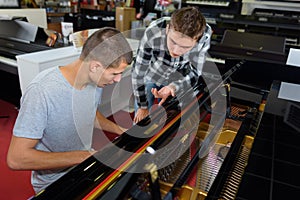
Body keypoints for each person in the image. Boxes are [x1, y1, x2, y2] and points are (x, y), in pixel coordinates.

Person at [6, 27, 133, 194]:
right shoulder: (42, 90)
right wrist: (82, 156)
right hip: (55, 181)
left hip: (83, 167)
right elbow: (16, 158)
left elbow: (89, 113)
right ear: (95, 66)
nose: (117, 80)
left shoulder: (96, 81)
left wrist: (120, 130)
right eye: (115, 73)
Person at [131, 7, 212, 123]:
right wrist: (142, 106)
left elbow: (195, 72)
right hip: (153, 73)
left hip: (180, 75)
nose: (176, 51)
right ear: (168, 29)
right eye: (173, 41)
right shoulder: (153, 32)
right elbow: (138, 72)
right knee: (139, 121)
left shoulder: (205, 36)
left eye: (185, 47)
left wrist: (174, 87)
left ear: (197, 40)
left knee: (180, 119)